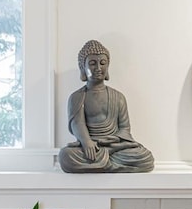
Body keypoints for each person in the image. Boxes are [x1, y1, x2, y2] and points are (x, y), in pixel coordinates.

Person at [58, 40, 154, 173]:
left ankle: (102, 162)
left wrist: (110, 143)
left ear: (108, 66)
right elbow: (77, 124)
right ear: (83, 67)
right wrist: (87, 142)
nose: (98, 68)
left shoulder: (118, 97)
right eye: (92, 63)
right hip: (89, 148)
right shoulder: (77, 97)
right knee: (65, 156)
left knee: (145, 157)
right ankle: (108, 163)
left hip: (113, 146)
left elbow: (125, 129)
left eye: (103, 63)